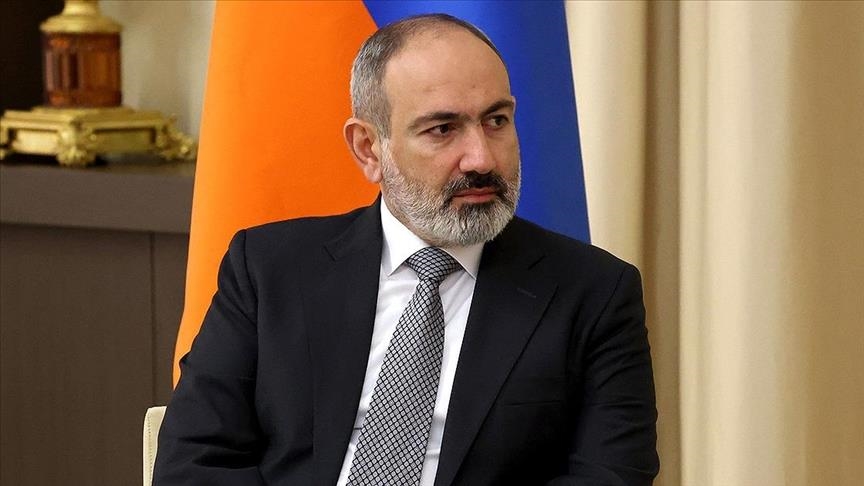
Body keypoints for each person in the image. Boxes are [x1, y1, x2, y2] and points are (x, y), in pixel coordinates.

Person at [154, 13, 658, 486]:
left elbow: (611, 476)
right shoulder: (269, 269)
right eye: (443, 129)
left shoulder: (593, 292)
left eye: (497, 121)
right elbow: (194, 461)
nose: (481, 158)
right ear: (369, 148)